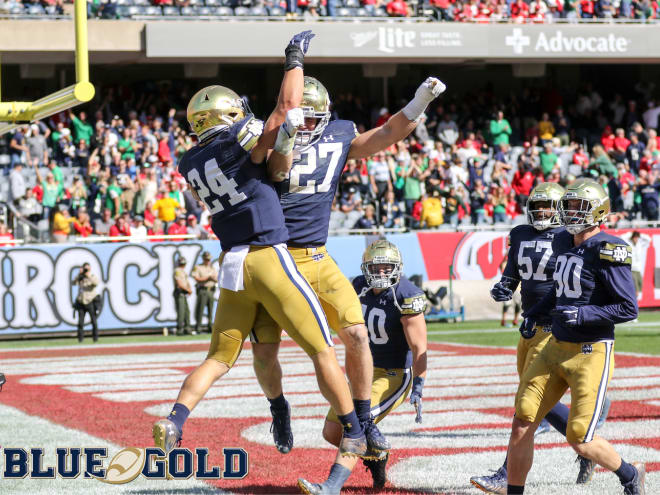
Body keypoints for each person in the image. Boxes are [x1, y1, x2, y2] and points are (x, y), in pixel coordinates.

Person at [153, 31, 373, 463]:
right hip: (270, 257)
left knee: (218, 357)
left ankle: (175, 419)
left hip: (232, 265)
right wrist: (294, 60)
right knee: (322, 349)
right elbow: (286, 111)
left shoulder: (189, 161)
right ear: (230, 113)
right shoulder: (243, 139)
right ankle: (354, 430)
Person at [248, 75, 445, 458]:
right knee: (264, 354)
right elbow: (273, 172)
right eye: (297, 116)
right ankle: (278, 406)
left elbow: (387, 133)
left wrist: (420, 100)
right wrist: (283, 133)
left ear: (326, 116)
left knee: (355, 335)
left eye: (311, 117)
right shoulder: (266, 137)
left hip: (314, 253)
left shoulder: (337, 137)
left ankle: (364, 418)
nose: (304, 124)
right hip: (271, 255)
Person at [506, 179, 644, 495]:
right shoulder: (564, 242)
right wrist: (534, 313)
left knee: (580, 437)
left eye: (577, 207)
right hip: (555, 344)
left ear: (598, 211)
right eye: (567, 206)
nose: (570, 213)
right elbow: (561, 290)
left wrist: (584, 315)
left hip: (590, 349)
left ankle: (629, 474)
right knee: (522, 419)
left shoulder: (608, 248)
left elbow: (627, 307)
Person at [471, 182, 610, 494]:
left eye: (549, 206)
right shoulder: (520, 233)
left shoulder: (567, 238)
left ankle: (507, 476)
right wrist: (504, 286)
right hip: (530, 322)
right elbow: (513, 270)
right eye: (537, 206)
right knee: (538, 403)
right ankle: (586, 448)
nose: (542, 212)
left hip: (555, 326)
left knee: (527, 405)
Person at [298, 240, 427, 494]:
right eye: (375, 267)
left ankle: (331, 486)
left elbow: (419, 346)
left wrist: (419, 385)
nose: (380, 273)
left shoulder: (405, 295)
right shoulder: (357, 286)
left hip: (394, 374)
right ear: (365, 267)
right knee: (332, 430)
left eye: (386, 267)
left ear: (397, 267)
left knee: (353, 426)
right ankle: (376, 457)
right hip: (363, 372)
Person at [620, 231, 651, 303]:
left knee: (640, 286)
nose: (636, 239)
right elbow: (622, 237)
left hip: (639, 269)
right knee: (635, 289)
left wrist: (640, 234)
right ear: (632, 237)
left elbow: (649, 239)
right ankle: (633, 303)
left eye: (637, 237)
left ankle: (633, 302)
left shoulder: (640, 244)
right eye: (635, 237)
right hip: (631, 268)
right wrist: (631, 233)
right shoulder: (629, 243)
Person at [74, 263, 100, 343]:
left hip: (90, 301)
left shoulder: (92, 276)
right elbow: (74, 283)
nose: (85, 270)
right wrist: (80, 274)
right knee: (80, 323)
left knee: (94, 321)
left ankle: (95, 339)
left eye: (86, 269)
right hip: (81, 302)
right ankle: (80, 339)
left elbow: (96, 283)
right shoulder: (81, 277)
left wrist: (87, 275)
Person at [191, 251, 217, 334]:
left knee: (211, 310)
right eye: (206, 259)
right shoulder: (198, 267)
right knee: (200, 309)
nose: (207, 261)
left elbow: (217, 279)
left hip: (211, 290)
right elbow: (197, 279)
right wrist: (208, 278)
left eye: (208, 259)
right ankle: (198, 327)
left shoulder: (212, 268)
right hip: (203, 290)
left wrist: (211, 278)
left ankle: (210, 326)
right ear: (203, 259)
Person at [173, 255, 194, 336]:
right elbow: (179, 283)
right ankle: (180, 329)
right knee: (181, 312)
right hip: (180, 293)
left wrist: (189, 288)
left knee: (186, 311)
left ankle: (187, 328)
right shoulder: (178, 271)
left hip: (183, 293)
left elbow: (186, 281)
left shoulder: (183, 271)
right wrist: (188, 289)